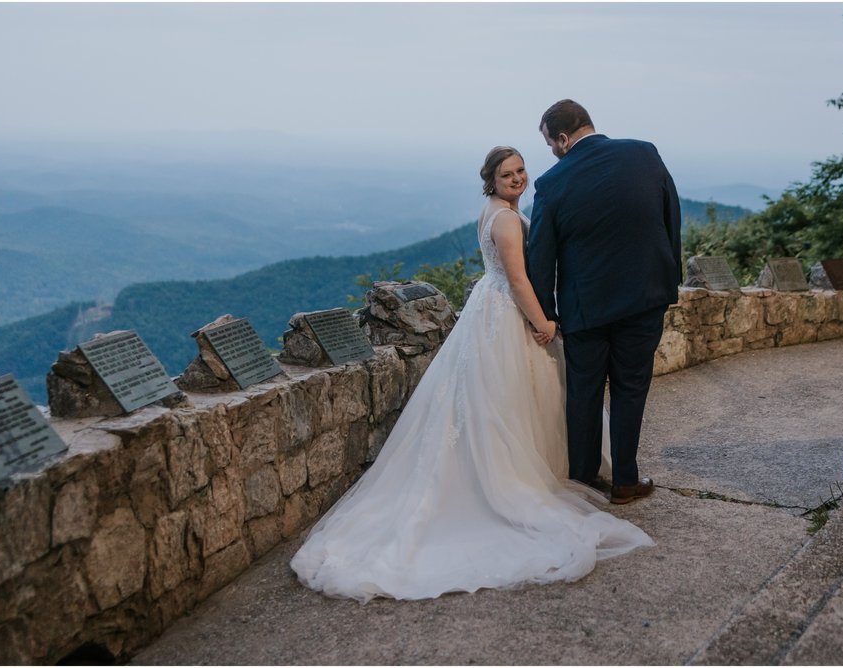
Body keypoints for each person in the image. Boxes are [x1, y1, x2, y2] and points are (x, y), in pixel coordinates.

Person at [290, 146, 652, 602]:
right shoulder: (504, 219)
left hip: (488, 310)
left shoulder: (494, 211)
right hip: (507, 315)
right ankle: (517, 481)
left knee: (496, 401)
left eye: (521, 170)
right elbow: (518, 280)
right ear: (492, 180)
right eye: (507, 174)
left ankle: (540, 469)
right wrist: (544, 324)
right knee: (510, 401)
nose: (518, 178)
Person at [527, 99, 682, 505]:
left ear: (562, 138)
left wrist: (546, 314)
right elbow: (671, 218)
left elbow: (540, 259)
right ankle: (625, 482)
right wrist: (669, 279)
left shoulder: (551, 184)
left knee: (584, 391)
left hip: (586, 308)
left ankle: (581, 480)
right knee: (632, 387)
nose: (552, 153)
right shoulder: (645, 153)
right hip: (644, 297)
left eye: (550, 144)